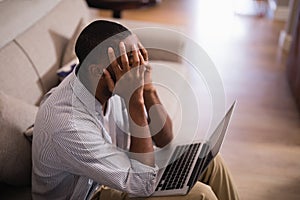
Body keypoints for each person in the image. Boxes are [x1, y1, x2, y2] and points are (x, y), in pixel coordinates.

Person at [31, 20, 239, 200]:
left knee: (211, 163)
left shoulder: (112, 82)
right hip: (89, 195)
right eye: (129, 61)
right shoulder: (67, 124)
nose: (137, 67)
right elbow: (142, 184)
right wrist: (135, 99)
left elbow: (165, 139)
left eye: (139, 55)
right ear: (97, 71)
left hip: (112, 179)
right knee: (201, 195)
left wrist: (148, 90)